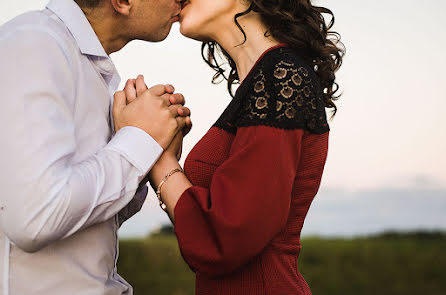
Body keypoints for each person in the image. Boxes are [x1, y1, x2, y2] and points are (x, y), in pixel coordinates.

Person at [123, 0, 345, 294]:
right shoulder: (263, 82)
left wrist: (155, 152)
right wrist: (164, 155)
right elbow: (206, 229)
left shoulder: (281, 76)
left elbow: (225, 240)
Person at [0, 0, 191, 294]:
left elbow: (88, 225)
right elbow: (35, 218)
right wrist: (141, 139)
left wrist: (152, 158)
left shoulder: (87, 66)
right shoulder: (34, 43)